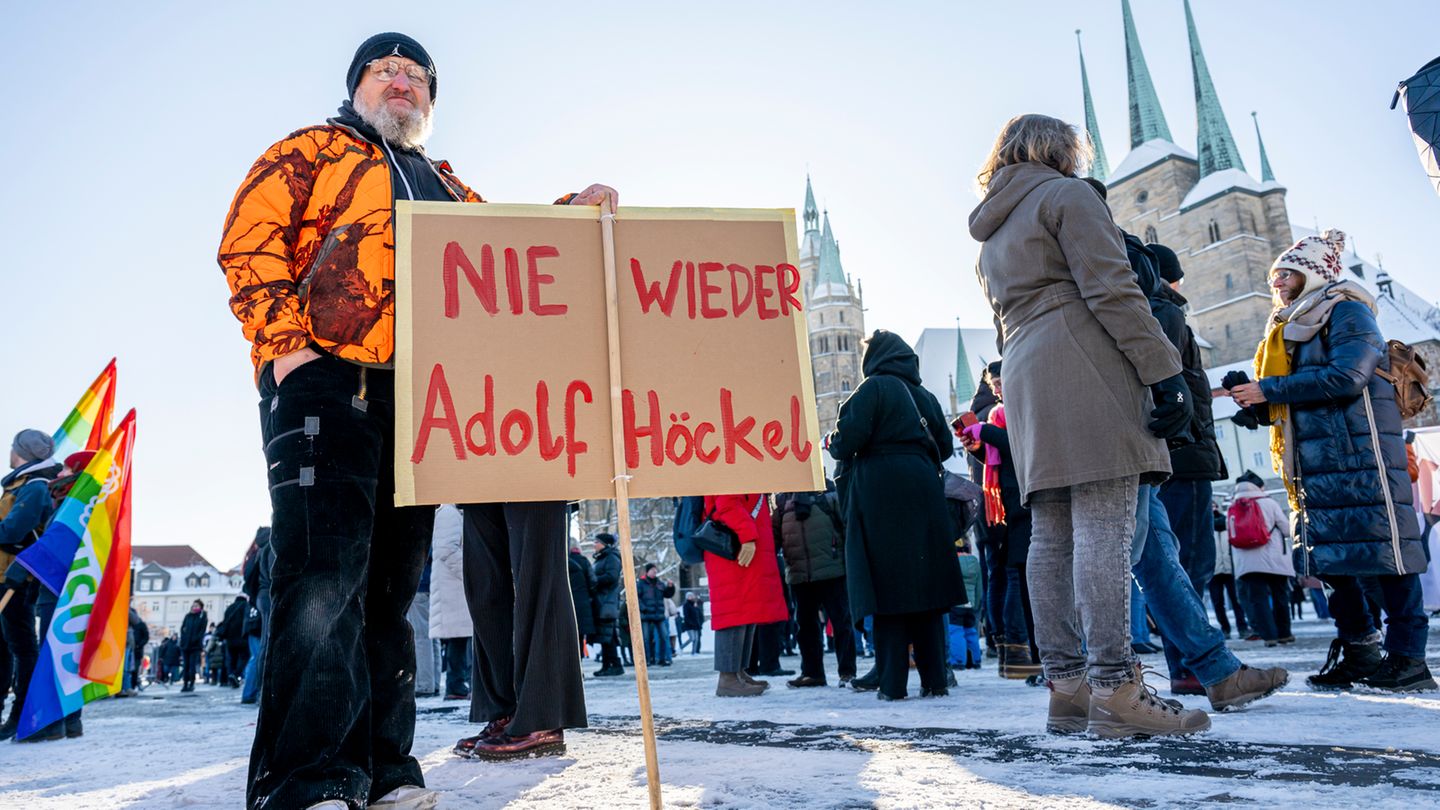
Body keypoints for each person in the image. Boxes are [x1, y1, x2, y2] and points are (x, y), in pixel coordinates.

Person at [219, 32, 615, 802]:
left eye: (417, 76)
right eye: (385, 69)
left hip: (421, 399)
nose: (402, 81)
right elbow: (249, 239)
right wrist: (288, 346)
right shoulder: (313, 150)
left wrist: (571, 214)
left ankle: (381, 769)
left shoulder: (443, 184)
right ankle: (304, 779)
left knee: (389, 592)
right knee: (323, 581)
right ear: (358, 86)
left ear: (429, 101)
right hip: (328, 383)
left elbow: (508, 253)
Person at [970, 114, 1208, 738]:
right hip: (1084, 358)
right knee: (1104, 521)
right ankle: (1116, 686)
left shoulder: (992, 231)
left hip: (1025, 374)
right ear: (1061, 151)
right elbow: (1112, 288)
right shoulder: (1067, 196)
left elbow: (1003, 324)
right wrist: (1166, 371)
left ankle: (1068, 688)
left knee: (1049, 534)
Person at [1229, 229, 1433, 692]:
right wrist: (1258, 406)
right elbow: (1303, 396)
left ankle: (1407, 658)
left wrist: (1272, 390)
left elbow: (1347, 376)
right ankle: (1359, 648)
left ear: (1311, 274)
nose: (1276, 282)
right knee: (1333, 562)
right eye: (1275, 275)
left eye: (1285, 273)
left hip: (1362, 456)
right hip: (1314, 462)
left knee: (1387, 556)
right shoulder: (1288, 327)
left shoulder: (1348, 310)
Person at [827, 330, 965, 701]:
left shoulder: (871, 390)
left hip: (880, 492)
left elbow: (845, 442)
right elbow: (946, 447)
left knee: (887, 589)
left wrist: (833, 438)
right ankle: (935, 680)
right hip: (923, 488)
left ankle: (892, 684)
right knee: (927, 587)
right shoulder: (925, 396)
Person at [958, 361, 1040, 681]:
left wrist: (987, 433)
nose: (996, 388)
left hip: (1027, 507)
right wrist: (979, 449)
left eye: (999, 381)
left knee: (1024, 583)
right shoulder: (996, 413)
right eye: (992, 383)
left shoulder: (1020, 408)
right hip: (1008, 510)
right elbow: (1002, 461)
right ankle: (1026, 658)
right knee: (1016, 581)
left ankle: (1033, 656)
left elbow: (1020, 450)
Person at [0, 429, 62, 739]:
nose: (9, 451)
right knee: (3, 648)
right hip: (3, 575)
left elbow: (11, 531)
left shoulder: (35, 486)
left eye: (13, 447)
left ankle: (23, 714)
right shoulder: (19, 483)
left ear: (22, 451)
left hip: (16, 580)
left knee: (22, 648)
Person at [704, 493, 788, 697]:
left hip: (741, 545)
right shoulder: (731, 465)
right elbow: (727, 503)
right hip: (735, 546)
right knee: (733, 612)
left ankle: (738, 672)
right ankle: (728, 678)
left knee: (746, 612)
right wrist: (748, 535)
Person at [774, 482, 857, 687]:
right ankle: (813, 673)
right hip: (800, 575)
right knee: (805, 627)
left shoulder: (829, 493)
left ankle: (847, 672)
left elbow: (846, 528)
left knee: (841, 623)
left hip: (832, 572)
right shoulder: (783, 500)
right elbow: (774, 538)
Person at [1229, 471, 1296, 646]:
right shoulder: (1269, 502)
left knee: (1258, 600)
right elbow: (1286, 529)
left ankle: (1269, 636)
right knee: (1280, 595)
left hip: (1247, 562)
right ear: (1259, 486)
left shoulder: (1233, 505)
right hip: (1274, 558)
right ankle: (1284, 633)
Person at [428, 505, 472, 701]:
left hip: (453, 588)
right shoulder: (449, 512)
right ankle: (457, 686)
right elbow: (447, 550)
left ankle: (459, 685)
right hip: (454, 588)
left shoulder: (451, 512)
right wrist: (472, 571)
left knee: (460, 639)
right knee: (459, 639)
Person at [241, 527, 273, 705]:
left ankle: (258, 692)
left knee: (263, 647)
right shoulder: (270, 547)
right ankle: (263, 692)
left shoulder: (254, 553)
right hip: (268, 595)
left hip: (259, 599)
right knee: (267, 645)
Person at [1209, 501, 1250, 639]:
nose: (1213, 509)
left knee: (1236, 600)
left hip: (1230, 569)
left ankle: (1242, 627)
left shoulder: (1228, 524)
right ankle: (1225, 628)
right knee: (1218, 602)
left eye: (1214, 506)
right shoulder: (1204, 526)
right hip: (1213, 570)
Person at [590, 534, 625, 676]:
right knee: (605, 636)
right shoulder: (603, 558)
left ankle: (615, 665)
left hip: (607, 601)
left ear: (605, 544)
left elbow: (612, 577)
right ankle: (608, 665)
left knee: (608, 636)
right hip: (601, 601)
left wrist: (593, 580)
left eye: (597, 542)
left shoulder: (611, 558)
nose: (594, 544)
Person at [949, 547, 985, 669]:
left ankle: (959, 661)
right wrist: (977, 604)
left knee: (955, 631)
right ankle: (976, 660)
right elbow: (979, 586)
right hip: (971, 603)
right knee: (971, 631)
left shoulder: (952, 560)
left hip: (955, 603)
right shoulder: (974, 561)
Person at [636, 564, 675, 666]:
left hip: (659, 615)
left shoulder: (659, 583)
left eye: (655, 570)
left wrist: (671, 587)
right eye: (652, 570)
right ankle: (647, 660)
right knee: (646, 638)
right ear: (647, 572)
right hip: (646, 615)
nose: (654, 572)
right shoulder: (641, 583)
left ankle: (661, 659)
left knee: (664, 636)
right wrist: (643, 608)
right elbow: (637, 598)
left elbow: (667, 594)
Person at [568, 545, 597, 659]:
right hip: (583, 602)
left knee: (568, 633)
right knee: (580, 633)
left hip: (567, 601)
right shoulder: (584, 561)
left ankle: (569, 663)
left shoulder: (563, 561)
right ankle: (579, 661)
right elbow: (593, 581)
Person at [220, 594, 250, 688]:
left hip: (230, 639)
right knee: (245, 657)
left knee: (232, 659)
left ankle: (232, 676)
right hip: (242, 637)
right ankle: (236, 674)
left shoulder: (229, 608)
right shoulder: (246, 606)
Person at [182, 604, 209, 691]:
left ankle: (192, 683)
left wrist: (196, 639)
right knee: (186, 665)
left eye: (197, 606)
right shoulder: (188, 616)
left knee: (192, 665)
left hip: (195, 645)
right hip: (185, 644)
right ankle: (185, 683)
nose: (194, 607)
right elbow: (182, 628)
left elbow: (202, 630)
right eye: (193, 606)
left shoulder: (201, 617)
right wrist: (184, 638)